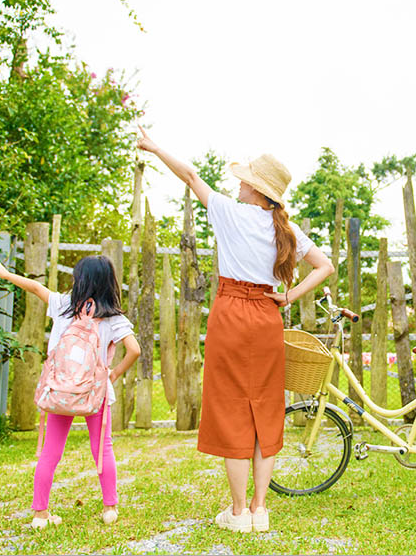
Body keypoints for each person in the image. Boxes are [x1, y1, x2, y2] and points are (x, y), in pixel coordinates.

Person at [137, 126, 333, 533]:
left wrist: (154, 148)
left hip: (230, 314)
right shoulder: (286, 230)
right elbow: (326, 266)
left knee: (231, 408)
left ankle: (238, 511)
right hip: (265, 316)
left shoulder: (228, 212)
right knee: (265, 407)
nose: (239, 184)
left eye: (245, 180)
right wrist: (289, 297)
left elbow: (190, 177)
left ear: (257, 190)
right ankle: (261, 511)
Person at [0, 255, 141, 529]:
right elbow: (135, 350)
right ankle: (109, 509)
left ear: (80, 280)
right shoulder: (112, 317)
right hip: (96, 393)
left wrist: (4, 273)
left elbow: (35, 288)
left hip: (60, 392)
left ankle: (40, 514)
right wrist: (114, 373)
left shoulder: (62, 305)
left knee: (51, 451)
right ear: (109, 283)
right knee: (102, 449)